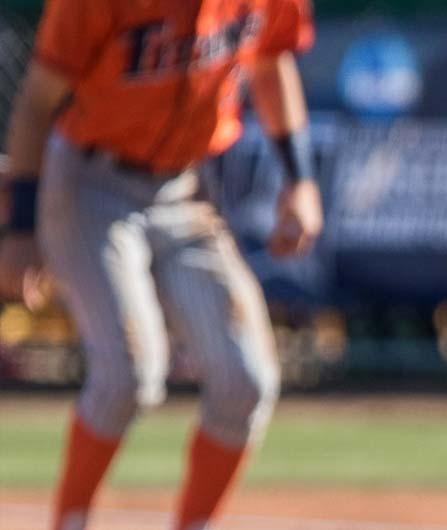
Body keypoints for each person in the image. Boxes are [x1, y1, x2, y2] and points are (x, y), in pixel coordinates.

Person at [0, 0, 324, 527]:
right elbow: (38, 102)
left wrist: (301, 180)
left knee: (247, 379)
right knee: (128, 373)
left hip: (181, 188)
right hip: (87, 184)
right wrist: (20, 228)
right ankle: (69, 522)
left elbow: (271, 61)